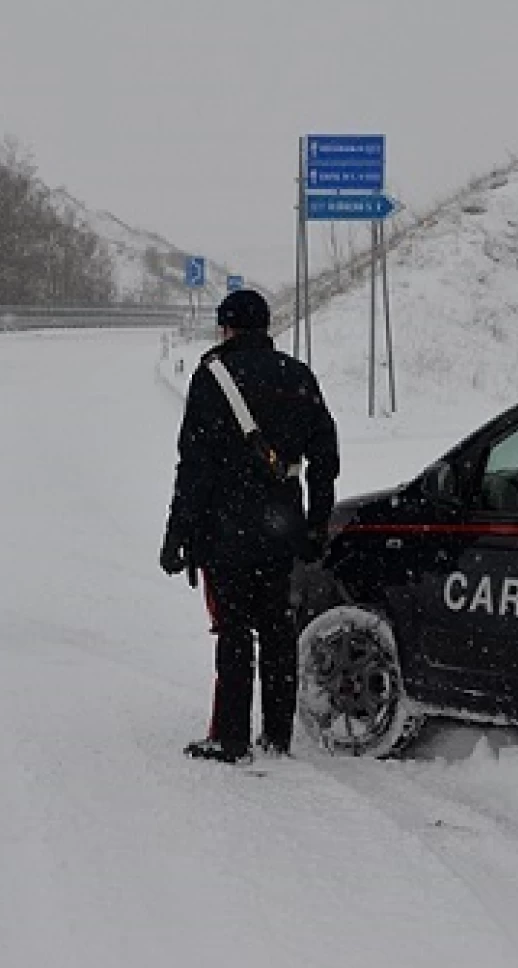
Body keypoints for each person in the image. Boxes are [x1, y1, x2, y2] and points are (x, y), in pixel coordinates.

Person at [160, 288, 339, 764]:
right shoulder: (298, 376)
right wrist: (317, 523)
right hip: (281, 526)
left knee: (234, 630)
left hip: (225, 529)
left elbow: (193, 466)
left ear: (227, 327)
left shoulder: (213, 376)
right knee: (278, 627)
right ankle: (277, 735)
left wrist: (177, 534)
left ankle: (231, 737)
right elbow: (325, 458)